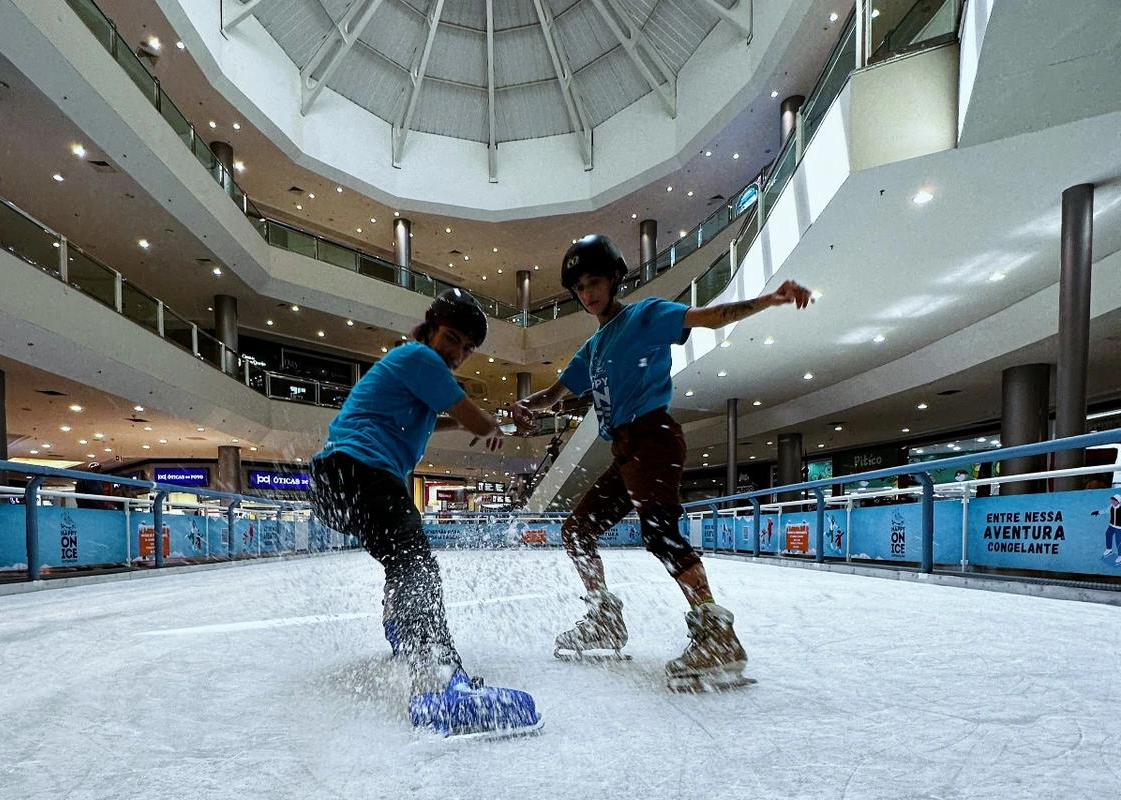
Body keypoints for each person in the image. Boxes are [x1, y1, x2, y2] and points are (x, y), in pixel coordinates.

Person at [513, 234, 810, 690]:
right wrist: (526, 405)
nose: (588, 293)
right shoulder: (593, 348)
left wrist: (767, 300)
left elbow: (708, 317)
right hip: (624, 451)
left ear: (615, 278)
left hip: (654, 437)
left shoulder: (644, 316)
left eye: (595, 282)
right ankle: (605, 618)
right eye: (579, 288)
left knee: (659, 532)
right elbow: (554, 394)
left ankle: (717, 634)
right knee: (576, 531)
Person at [311, 289, 541, 736]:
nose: (457, 353)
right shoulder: (418, 356)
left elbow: (442, 416)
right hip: (358, 469)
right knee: (415, 563)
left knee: (402, 559)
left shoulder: (413, 371)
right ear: (430, 328)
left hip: (338, 481)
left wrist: (489, 419)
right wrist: (490, 423)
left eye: (467, 349)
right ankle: (440, 676)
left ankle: (401, 628)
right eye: (452, 338)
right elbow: (474, 419)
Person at [1092, 494, 1121, 565]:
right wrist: (1098, 512)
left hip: (1119, 528)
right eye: (1112, 500)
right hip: (1112, 525)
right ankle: (1109, 549)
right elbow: (1105, 510)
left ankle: (1120, 555)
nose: (1113, 501)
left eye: (1115, 500)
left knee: (1118, 541)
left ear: (1118, 501)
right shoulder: (1111, 507)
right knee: (1108, 534)